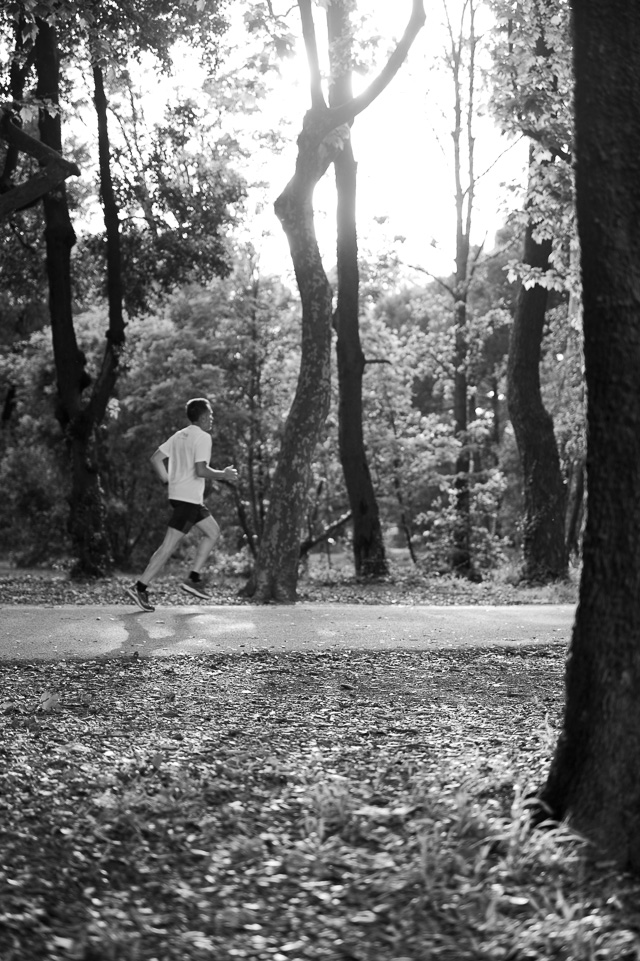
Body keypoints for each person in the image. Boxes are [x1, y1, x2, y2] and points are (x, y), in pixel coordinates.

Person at [125, 397, 238, 612]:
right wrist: (223, 474)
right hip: (188, 500)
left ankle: (193, 578)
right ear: (204, 416)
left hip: (186, 498)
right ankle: (140, 587)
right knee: (168, 546)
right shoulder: (203, 437)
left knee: (213, 532)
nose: (212, 419)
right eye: (211, 415)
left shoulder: (178, 436)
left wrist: (167, 480)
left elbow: (155, 459)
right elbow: (201, 470)